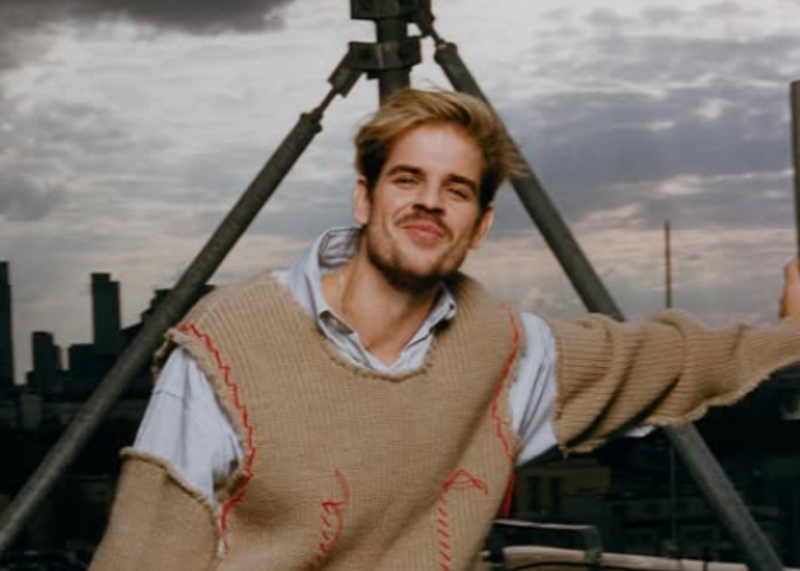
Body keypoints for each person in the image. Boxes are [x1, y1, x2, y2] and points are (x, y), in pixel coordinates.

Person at [90, 89, 800, 571]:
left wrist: (789, 334)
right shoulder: (228, 346)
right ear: (364, 197)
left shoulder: (501, 349)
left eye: (456, 189)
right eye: (407, 179)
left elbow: (655, 359)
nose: (430, 202)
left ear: (480, 225)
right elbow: (145, 554)